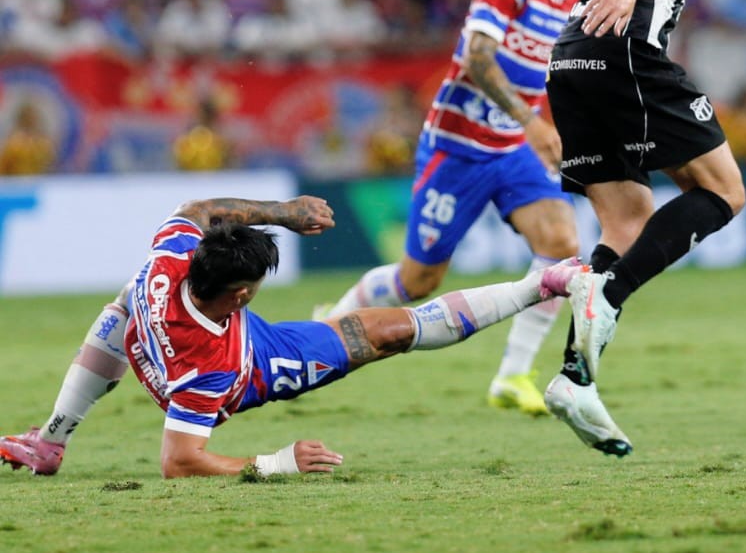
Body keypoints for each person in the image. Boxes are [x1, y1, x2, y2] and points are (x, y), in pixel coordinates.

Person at [0, 195, 570, 477]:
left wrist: (281, 213)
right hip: (258, 363)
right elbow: (179, 461)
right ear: (242, 294)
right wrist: (279, 462)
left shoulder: (170, 258)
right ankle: (542, 284)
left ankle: (51, 438)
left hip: (157, 339)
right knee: (396, 329)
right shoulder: (215, 363)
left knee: (123, 303)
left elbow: (198, 209)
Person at [538, 0, 746, 457]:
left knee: (626, 216)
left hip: (573, 57)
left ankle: (575, 378)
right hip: (626, 50)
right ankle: (609, 299)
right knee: (724, 193)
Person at [316, 0, 590, 417]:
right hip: (457, 149)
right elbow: (477, 59)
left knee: (561, 241)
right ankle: (332, 324)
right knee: (417, 281)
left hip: (511, 150)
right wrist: (533, 122)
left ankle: (513, 375)